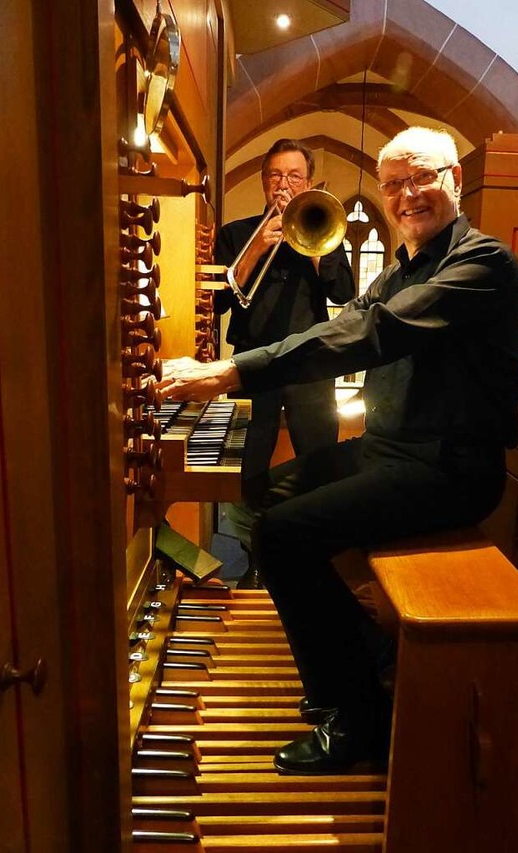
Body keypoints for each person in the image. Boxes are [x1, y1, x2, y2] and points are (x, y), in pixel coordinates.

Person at [159, 126, 518, 775]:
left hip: (449, 466)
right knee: (269, 496)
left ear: (455, 183)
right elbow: (346, 318)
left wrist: (231, 371)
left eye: (424, 178)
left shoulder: (484, 263)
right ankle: (366, 661)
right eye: (395, 184)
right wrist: (238, 362)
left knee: (284, 533)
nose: (408, 194)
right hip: (390, 450)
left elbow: (372, 331)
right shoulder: (405, 267)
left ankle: (355, 713)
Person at [214, 139, 355, 588]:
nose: (284, 185)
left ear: (308, 182)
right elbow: (216, 301)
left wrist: (314, 249)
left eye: (294, 176)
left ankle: (313, 555)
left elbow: (344, 295)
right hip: (253, 363)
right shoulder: (237, 234)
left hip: (310, 361)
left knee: (319, 456)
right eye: (276, 175)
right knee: (248, 463)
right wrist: (257, 246)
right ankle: (255, 554)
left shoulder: (324, 229)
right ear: (263, 181)